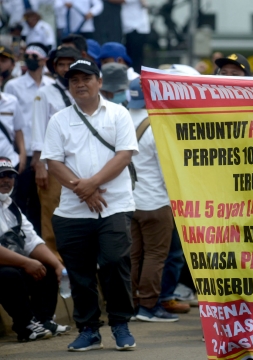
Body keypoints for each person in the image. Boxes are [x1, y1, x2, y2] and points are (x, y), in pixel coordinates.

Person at [41, 59, 138, 351]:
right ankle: (88, 329)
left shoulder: (119, 114)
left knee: (114, 263)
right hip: (72, 211)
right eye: (73, 80)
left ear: (99, 82)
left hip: (115, 205)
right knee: (80, 273)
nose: (80, 84)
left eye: (86, 78)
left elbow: (124, 156)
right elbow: (53, 162)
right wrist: (83, 191)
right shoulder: (59, 119)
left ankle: (120, 324)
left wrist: (91, 183)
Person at [127, 78, 190, 321]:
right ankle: (149, 307)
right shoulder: (156, 126)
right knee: (155, 256)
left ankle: (132, 304)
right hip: (156, 202)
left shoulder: (120, 119)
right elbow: (168, 171)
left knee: (133, 256)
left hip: (128, 202)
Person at [0, 157, 70, 342]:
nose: (6, 180)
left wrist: (57, 265)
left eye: (10, 176)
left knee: (46, 266)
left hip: (11, 262)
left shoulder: (10, 206)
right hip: (5, 269)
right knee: (9, 275)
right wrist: (27, 262)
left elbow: (32, 241)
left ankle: (42, 321)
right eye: (1, 176)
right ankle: (25, 326)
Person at [31, 45, 80, 260]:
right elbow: (38, 130)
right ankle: (56, 267)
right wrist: (40, 165)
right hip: (53, 165)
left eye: (70, 64)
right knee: (52, 218)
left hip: (80, 163)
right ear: (54, 67)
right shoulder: (45, 92)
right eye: (61, 64)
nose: (65, 68)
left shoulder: (81, 89)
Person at [4, 42, 54, 234]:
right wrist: (22, 154)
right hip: (23, 152)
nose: (30, 60)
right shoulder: (13, 86)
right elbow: (12, 123)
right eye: (28, 56)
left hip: (48, 153)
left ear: (44, 60)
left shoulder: (51, 85)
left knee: (44, 201)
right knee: (20, 199)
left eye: (35, 56)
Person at [0, 76, 26, 172]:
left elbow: (18, 130)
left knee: (10, 187)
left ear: (0, 80)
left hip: (9, 161)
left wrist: (22, 154)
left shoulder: (12, 101)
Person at [121, 0, 150, 74]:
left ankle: (136, 77)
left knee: (136, 57)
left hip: (136, 27)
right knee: (132, 55)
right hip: (130, 28)